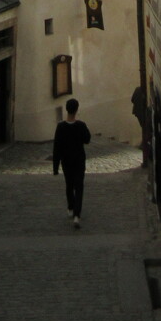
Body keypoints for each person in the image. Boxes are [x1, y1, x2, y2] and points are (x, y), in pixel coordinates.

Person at [52, 98, 91, 228]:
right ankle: (77, 215)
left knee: (69, 185)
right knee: (79, 187)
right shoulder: (81, 125)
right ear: (76, 110)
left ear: (67, 109)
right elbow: (87, 139)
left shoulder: (61, 127)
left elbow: (56, 147)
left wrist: (55, 167)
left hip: (66, 161)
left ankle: (70, 207)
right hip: (79, 160)